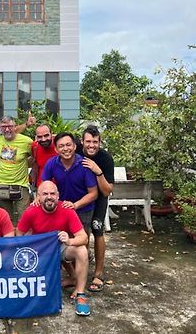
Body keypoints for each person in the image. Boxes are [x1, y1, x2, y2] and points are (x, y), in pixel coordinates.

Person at [16, 181, 91, 316]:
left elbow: (83, 237)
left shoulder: (67, 210)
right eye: (45, 194)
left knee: (82, 251)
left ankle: (80, 294)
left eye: (52, 193)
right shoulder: (31, 211)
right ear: (38, 196)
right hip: (40, 252)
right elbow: (18, 235)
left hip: (60, 247)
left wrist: (69, 240)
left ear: (58, 196)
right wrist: (29, 246)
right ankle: (67, 278)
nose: (49, 197)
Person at [80, 125, 114, 292]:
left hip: (99, 199)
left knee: (97, 230)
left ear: (100, 143)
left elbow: (108, 191)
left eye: (95, 142)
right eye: (88, 141)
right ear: (81, 142)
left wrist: (98, 171)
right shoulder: (75, 151)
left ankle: (98, 273)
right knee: (82, 234)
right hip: (82, 199)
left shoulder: (105, 159)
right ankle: (80, 272)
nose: (91, 145)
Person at [41, 132, 98, 233]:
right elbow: (44, 185)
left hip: (83, 208)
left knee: (83, 241)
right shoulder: (51, 163)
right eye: (61, 146)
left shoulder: (85, 164)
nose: (66, 149)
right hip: (61, 208)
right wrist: (38, 198)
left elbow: (93, 194)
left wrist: (75, 205)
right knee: (61, 240)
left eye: (68, 145)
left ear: (75, 146)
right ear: (56, 149)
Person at [0, 115, 33, 225]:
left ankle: (24, 242)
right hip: (2, 185)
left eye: (10, 126)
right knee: (5, 221)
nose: (7, 129)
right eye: (3, 127)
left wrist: (25, 165)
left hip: (21, 185)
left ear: (15, 126)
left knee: (24, 220)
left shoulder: (26, 141)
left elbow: (35, 158)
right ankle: (8, 242)